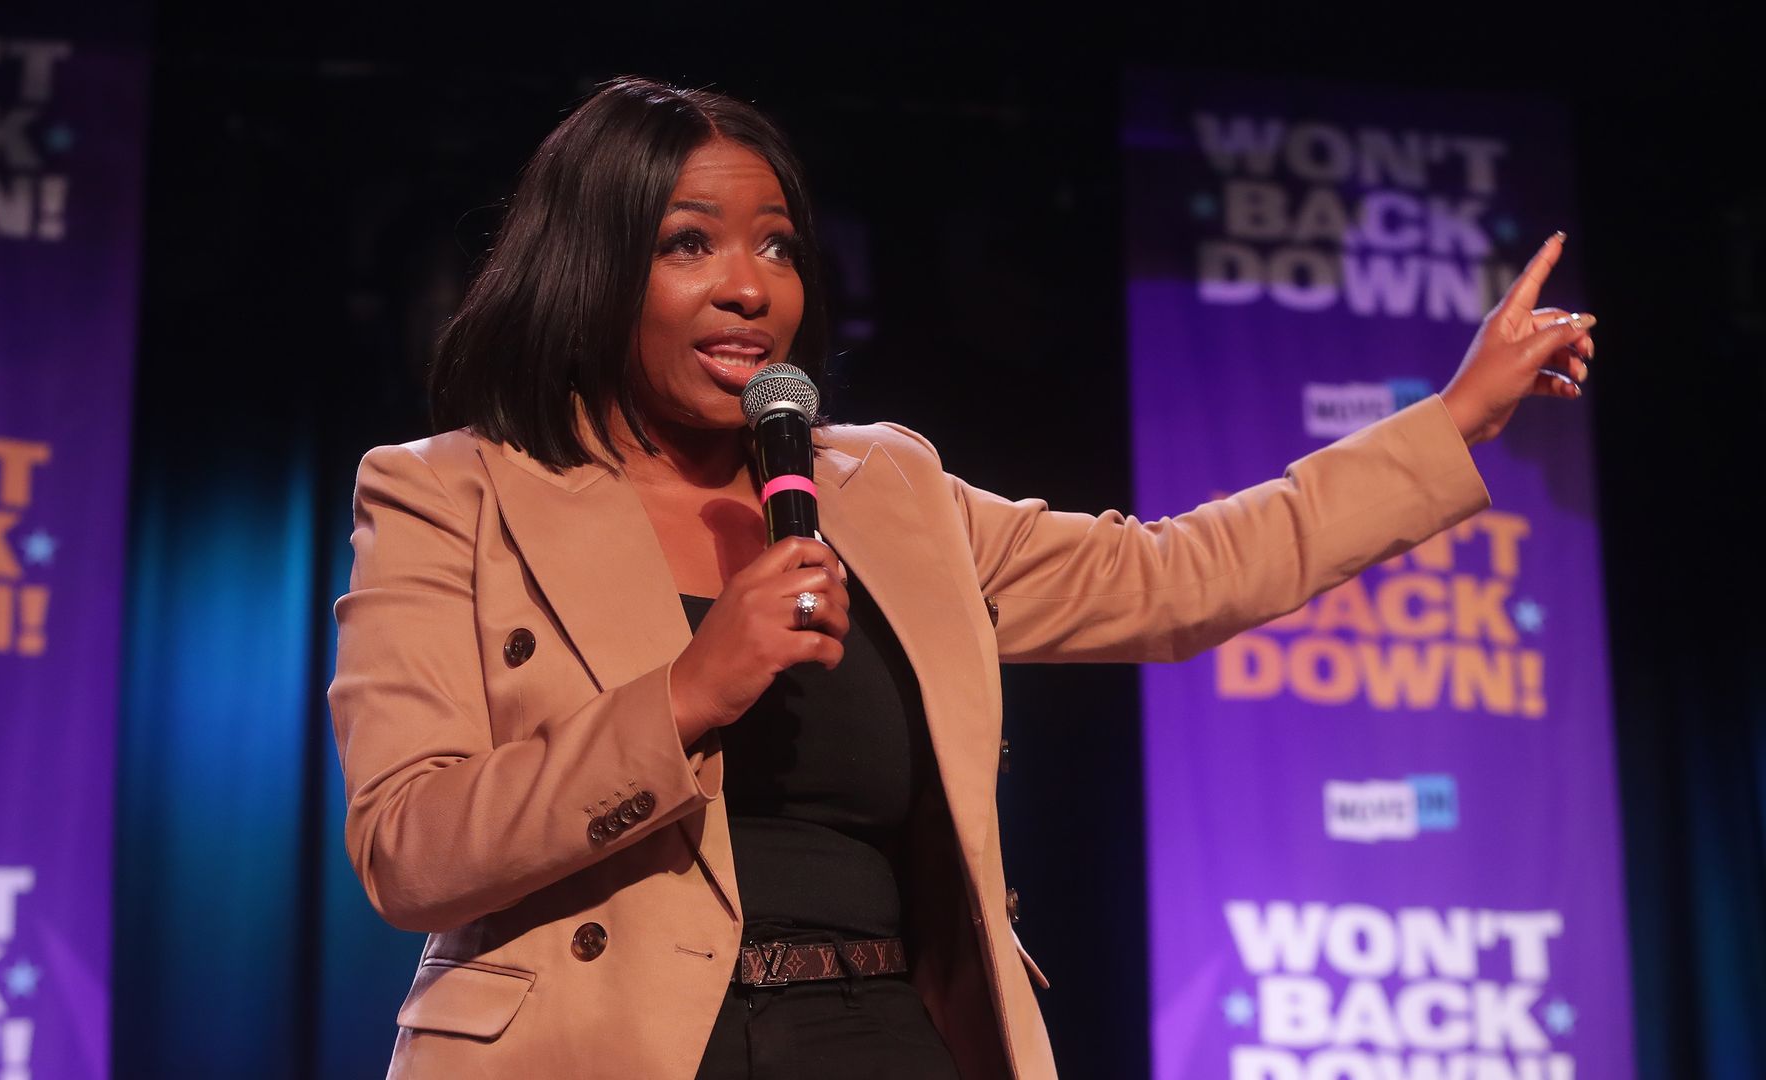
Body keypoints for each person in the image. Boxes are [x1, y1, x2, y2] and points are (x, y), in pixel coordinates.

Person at [326, 77, 1594, 1080]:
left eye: (777, 246)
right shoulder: (453, 493)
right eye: (689, 244)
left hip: (879, 1033)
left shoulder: (888, 490)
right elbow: (408, 848)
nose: (750, 287)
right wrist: (685, 695)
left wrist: (1453, 421)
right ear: (591, 269)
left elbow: (1177, 575)